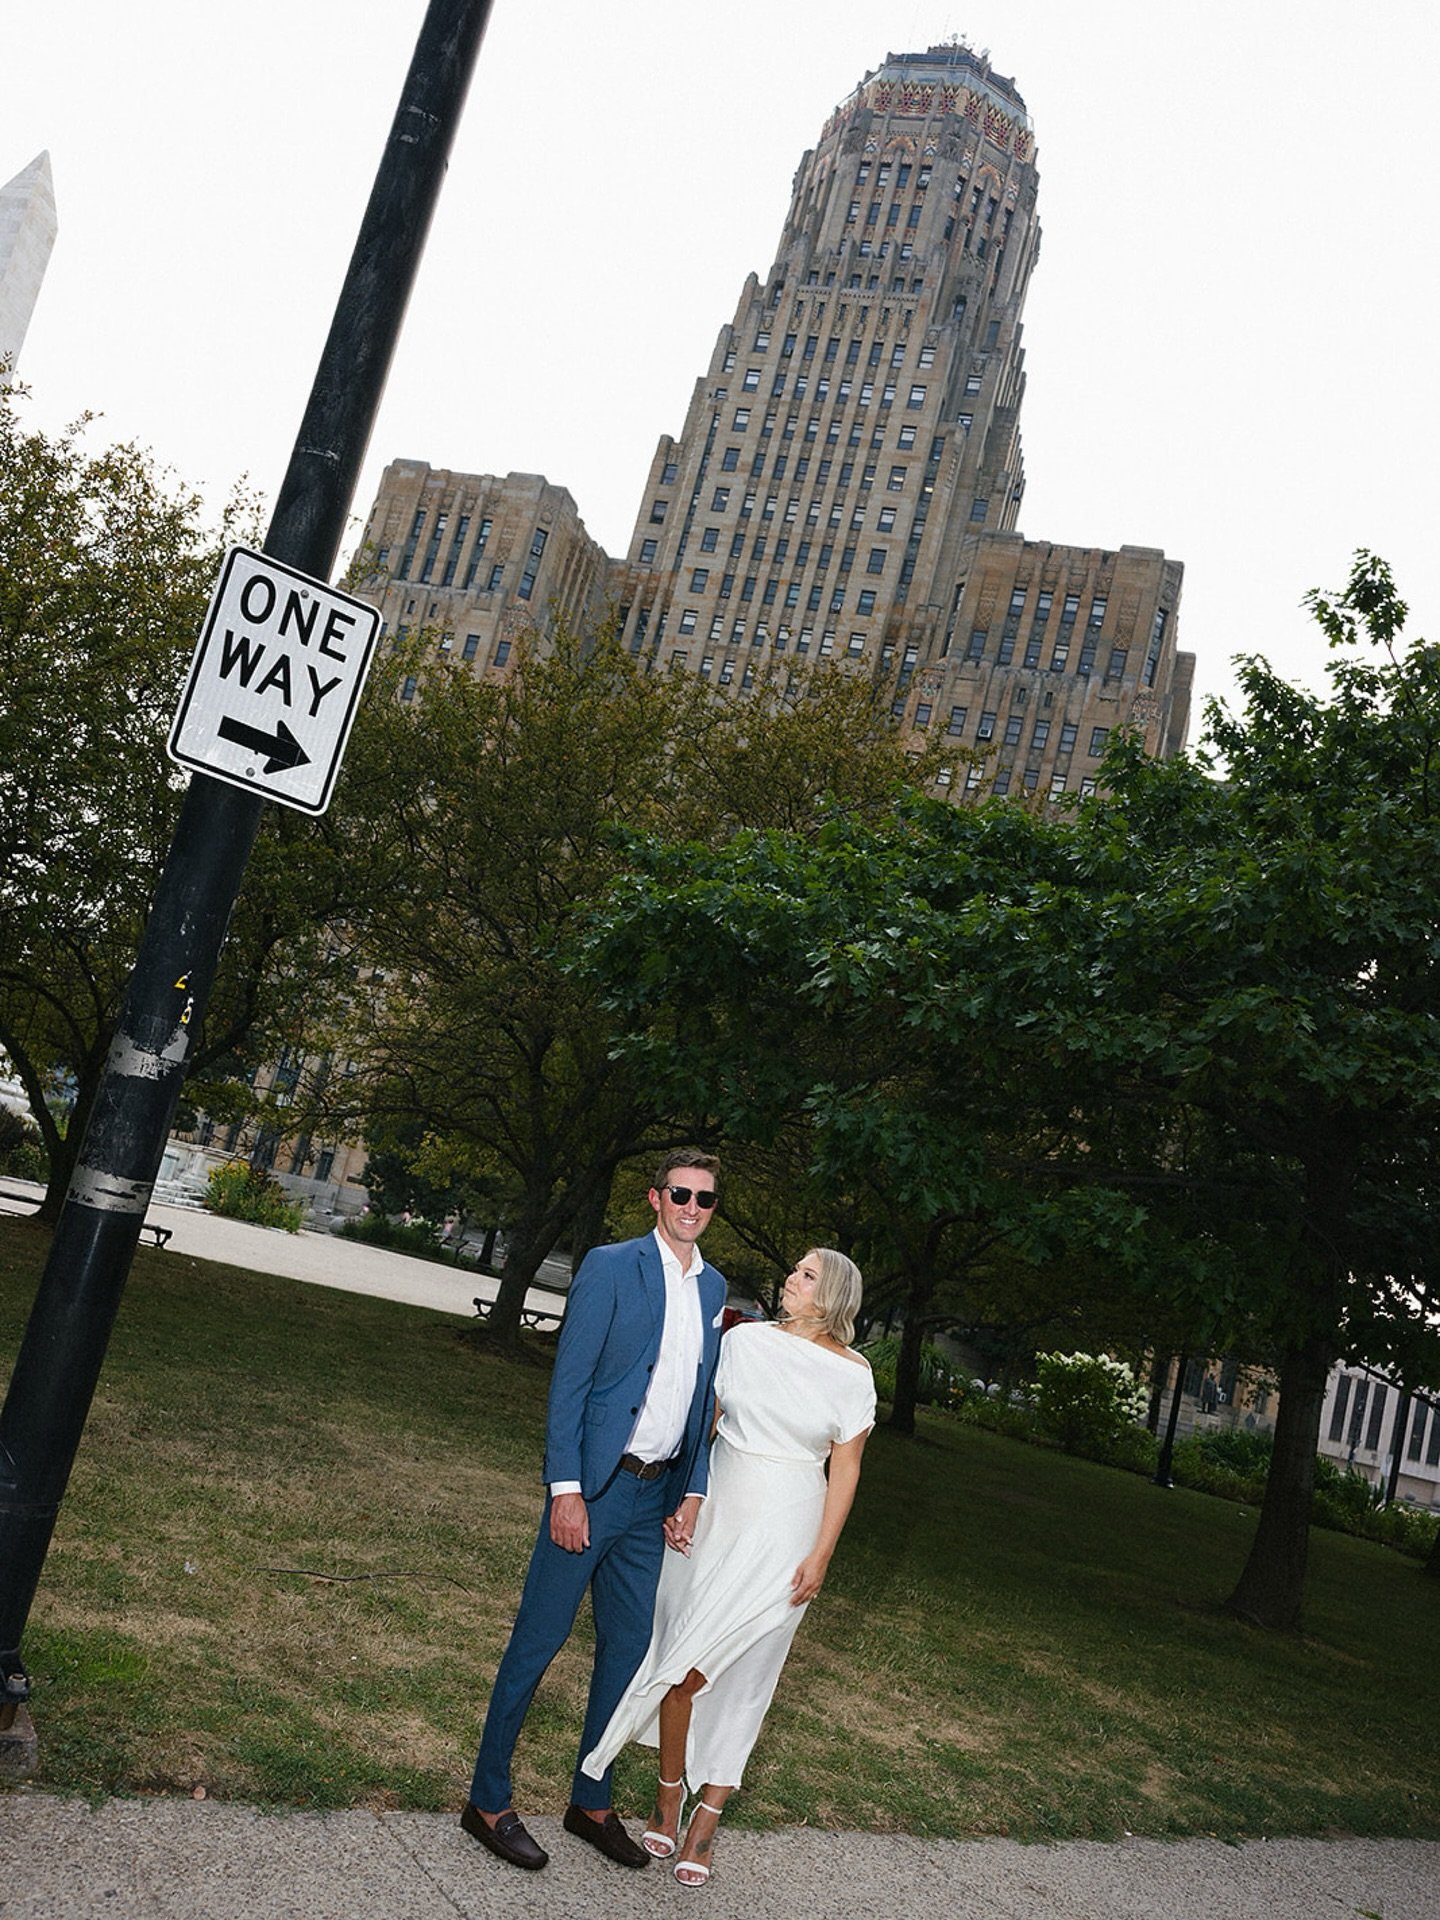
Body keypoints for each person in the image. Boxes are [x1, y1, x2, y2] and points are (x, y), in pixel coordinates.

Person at [460, 1152, 726, 1873]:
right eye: (680, 1194)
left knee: (628, 1654)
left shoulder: (713, 1287)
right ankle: (487, 1801)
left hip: (652, 1501)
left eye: (704, 1198)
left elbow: (701, 1401)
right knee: (538, 1642)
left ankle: (591, 1802)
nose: (692, 1207)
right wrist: (566, 1490)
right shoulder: (611, 1267)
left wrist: (691, 1491)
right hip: (595, 1492)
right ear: (656, 1198)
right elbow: (570, 1383)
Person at [581, 1246, 875, 1887]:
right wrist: (685, 1502)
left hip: (789, 1528)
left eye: (806, 1275)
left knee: (746, 1678)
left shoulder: (855, 1375)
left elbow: (846, 1469)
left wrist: (821, 1555)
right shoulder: (743, 1343)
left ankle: (706, 1820)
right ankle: (668, 1793)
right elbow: (704, 1428)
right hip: (718, 1515)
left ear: (832, 1295)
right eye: (795, 1269)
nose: (791, 1279)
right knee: (683, 1663)